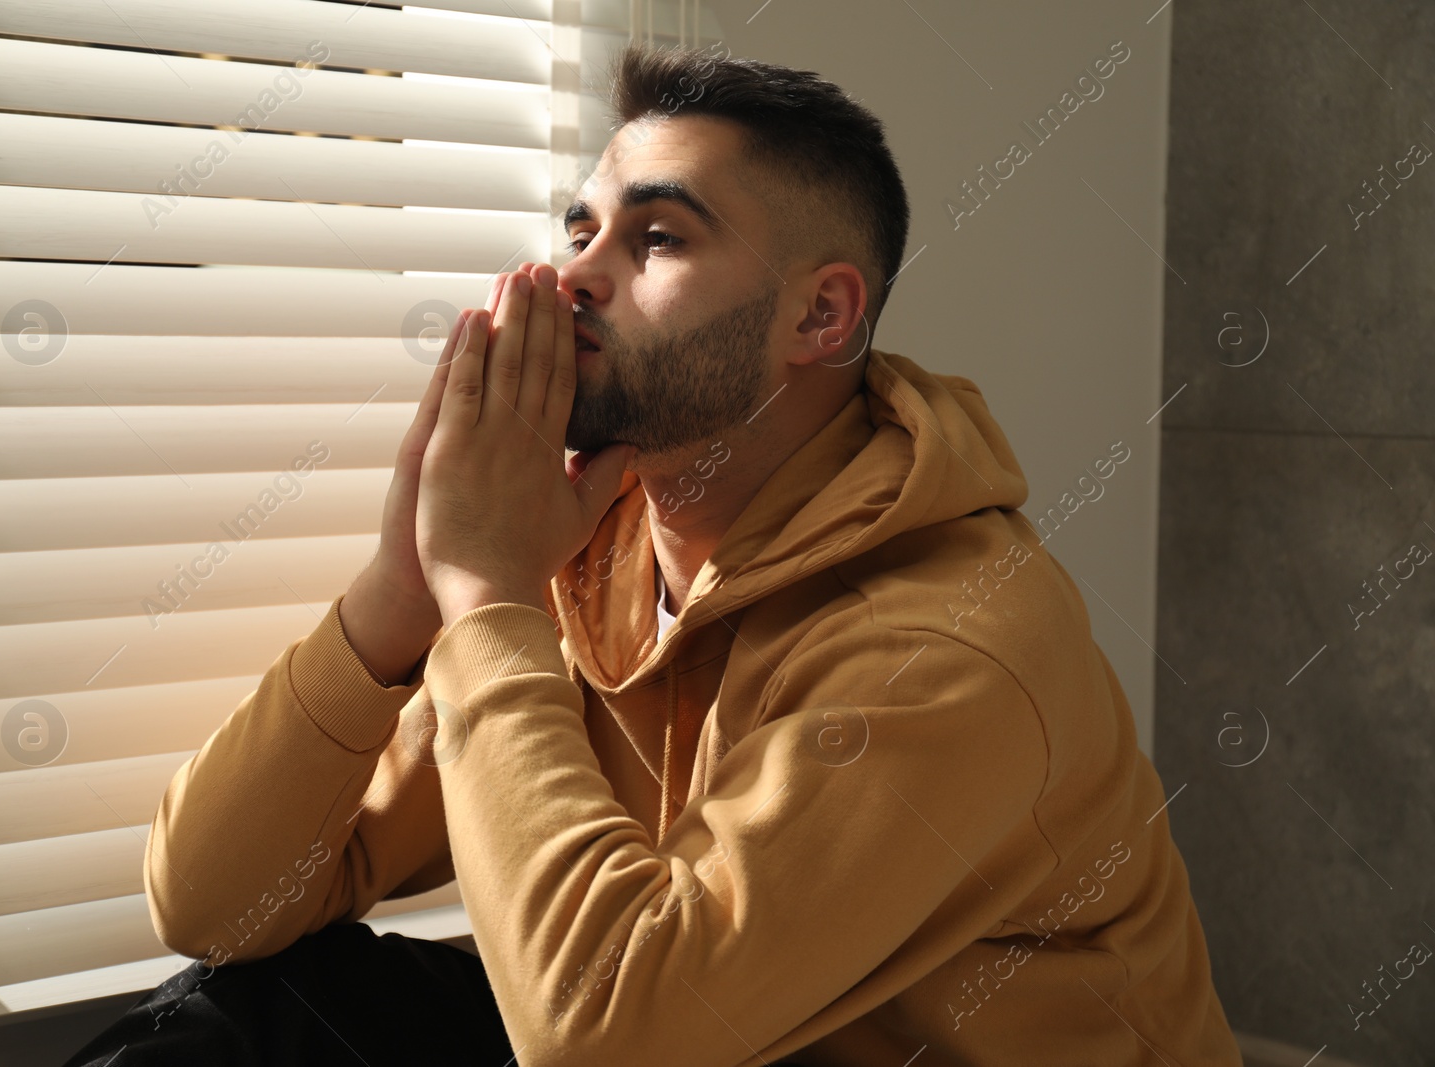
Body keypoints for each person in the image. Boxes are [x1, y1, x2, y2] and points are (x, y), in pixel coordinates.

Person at [65, 42, 1241, 1067]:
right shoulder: (594, 554)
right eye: (580, 227)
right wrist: (402, 591)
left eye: (657, 235)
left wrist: (485, 597)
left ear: (820, 318)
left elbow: (602, 1039)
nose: (576, 273)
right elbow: (217, 903)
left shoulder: (945, 650)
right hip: (697, 1035)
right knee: (256, 1015)